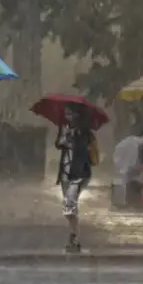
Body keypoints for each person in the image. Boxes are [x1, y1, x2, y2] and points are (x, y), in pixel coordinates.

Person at [55, 103, 95, 252]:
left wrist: (73, 137)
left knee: (69, 204)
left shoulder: (84, 132)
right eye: (66, 114)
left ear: (78, 115)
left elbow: (84, 149)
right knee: (69, 206)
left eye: (71, 114)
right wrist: (64, 137)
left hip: (79, 173)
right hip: (65, 173)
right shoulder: (64, 128)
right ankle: (73, 237)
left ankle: (74, 237)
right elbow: (58, 144)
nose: (68, 117)